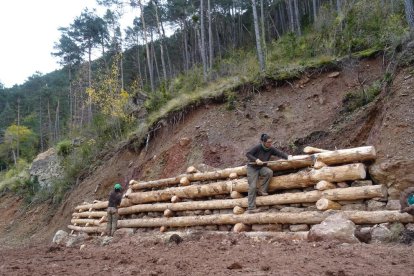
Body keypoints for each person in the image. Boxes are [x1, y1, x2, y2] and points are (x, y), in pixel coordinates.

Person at [245, 133, 291, 213]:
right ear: (263, 142)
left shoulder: (271, 148)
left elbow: (279, 153)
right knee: (252, 186)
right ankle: (251, 207)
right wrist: (256, 160)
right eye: (268, 142)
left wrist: (288, 157)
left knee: (269, 172)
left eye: (271, 142)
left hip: (261, 167)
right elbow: (248, 154)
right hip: (252, 168)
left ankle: (262, 190)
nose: (270, 144)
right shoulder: (258, 147)